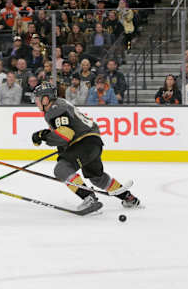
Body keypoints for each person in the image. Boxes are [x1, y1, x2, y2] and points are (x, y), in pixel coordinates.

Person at [31, 82, 141, 213]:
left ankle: (89, 198)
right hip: (92, 142)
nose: (36, 102)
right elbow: (67, 133)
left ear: (46, 99)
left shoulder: (54, 109)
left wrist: (45, 137)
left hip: (83, 143)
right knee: (96, 177)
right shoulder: (59, 104)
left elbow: (66, 134)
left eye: (38, 99)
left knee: (62, 169)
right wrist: (48, 138)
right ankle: (128, 197)